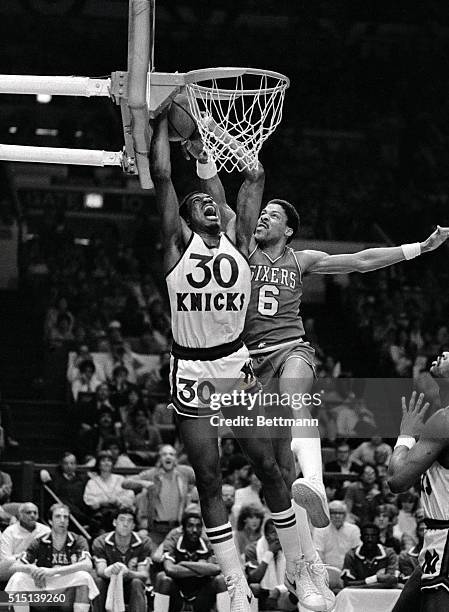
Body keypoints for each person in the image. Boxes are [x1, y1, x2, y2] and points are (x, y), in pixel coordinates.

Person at [150, 112, 322, 611]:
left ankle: (302, 567)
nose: (208, 202)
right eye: (199, 202)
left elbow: (250, 177)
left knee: (268, 465)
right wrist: (156, 119)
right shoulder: (175, 250)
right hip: (192, 371)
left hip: (236, 365)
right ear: (184, 220)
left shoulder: (241, 244)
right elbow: (163, 178)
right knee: (208, 477)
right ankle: (235, 583)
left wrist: (203, 142)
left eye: (211, 201)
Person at [389, 352, 449, 611]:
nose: (443, 353)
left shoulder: (444, 419)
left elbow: (397, 479)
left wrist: (405, 434)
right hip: (435, 537)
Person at [5, 503, 99, 612]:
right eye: (58, 516)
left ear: (68, 521)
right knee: (18, 577)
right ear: (50, 521)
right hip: (44, 591)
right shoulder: (39, 541)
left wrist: (54, 571)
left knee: (84, 576)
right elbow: (14, 567)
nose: (62, 520)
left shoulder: (78, 540)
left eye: (66, 517)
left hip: (67, 592)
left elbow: (87, 564)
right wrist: (32, 569)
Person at [153, 507, 229, 612]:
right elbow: (170, 569)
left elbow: (216, 569)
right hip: (177, 595)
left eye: (198, 526)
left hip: (201, 598)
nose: (194, 530)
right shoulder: (173, 539)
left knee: (220, 580)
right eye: (190, 526)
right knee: (163, 578)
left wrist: (183, 564)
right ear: (183, 528)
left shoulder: (207, 542)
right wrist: (201, 569)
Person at [122, 444, 195, 544]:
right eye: (164, 454)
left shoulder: (185, 472)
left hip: (178, 528)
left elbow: (205, 479)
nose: (168, 456)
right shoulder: (151, 474)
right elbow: (125, 483)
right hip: (157, 528)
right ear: (160, 459)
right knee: (155, 557)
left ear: (175, 458)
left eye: (171, 454)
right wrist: (143, 483)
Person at [92, 507, 152, 612]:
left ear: (133, 526)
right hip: (108, 585)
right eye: (122, 519)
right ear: (114, 522)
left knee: (137, 583)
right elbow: (100, 571)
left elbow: (144, 575)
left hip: (130, 587)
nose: (125, 524)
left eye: (129, 521)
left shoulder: (144, 542)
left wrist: (128, 572)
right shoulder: (101, 541)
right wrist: (110, 570)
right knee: (98, 581)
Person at [245, 518, 298, 611]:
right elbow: (253, 578)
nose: (278, 537)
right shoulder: (252, 549)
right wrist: (269, 553)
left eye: (280, 533)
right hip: (264, 593)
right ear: (266, 535)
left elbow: (296, 578)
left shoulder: (289, 547)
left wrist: (278, 589)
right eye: (273, 533)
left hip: (286, 592)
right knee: (254, 587)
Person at [83, 450, 134, 537]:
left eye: (109, 461)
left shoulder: (120, 479)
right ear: (98, 464)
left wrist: (118, 501)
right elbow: (90, 501)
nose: (106, 463)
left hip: (119, 512)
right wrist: (104, 502)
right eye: (103, 461)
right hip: (101, 515)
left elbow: (129, 496)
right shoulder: (92, 482)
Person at [312, 500, 361, 588]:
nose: (337, 516)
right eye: (334, 513)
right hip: (327, 572)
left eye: (340, 513)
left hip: (348, 572)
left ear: (345, 515)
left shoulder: (354, 529)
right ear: (328, 514)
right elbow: (318, 554)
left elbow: (356, 554)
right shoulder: (320, 529)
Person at [0, 503, 50, 581]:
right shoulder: (10, 531)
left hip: (39, 567)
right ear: (20, 515)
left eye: (35, 513)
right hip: (15, 567)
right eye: (28, 512)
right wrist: (22, 556)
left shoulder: (46, 531)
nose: (32, 515)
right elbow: (5, 560)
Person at [340, 523, 398, 588]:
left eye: (373, 536)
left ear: (378, 538)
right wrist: (374, 579)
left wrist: (360, 584)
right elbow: (347, 584)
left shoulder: (389, 554)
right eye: (366, 536)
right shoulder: (351, 555)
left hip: (383, 594)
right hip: (358, 594)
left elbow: (392, 581)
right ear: (361, 538)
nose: (370, 539)